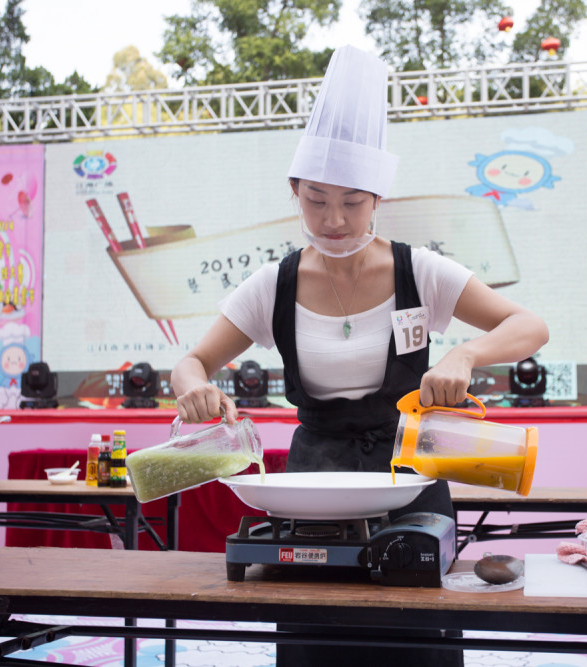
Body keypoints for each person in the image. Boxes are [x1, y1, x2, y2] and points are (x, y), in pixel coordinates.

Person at [172, 45, 548, 666]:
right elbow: (191, 363)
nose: (335, 219)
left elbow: (529, 324)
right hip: (313, 486)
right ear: (294, 191)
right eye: (316, 200)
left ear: (378, 198)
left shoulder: (419, 271)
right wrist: (194, 387)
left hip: (411, 482)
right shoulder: (274, 285)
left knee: (416, 645)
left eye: (352, 201)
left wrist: (465, 356)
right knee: (318, 641)